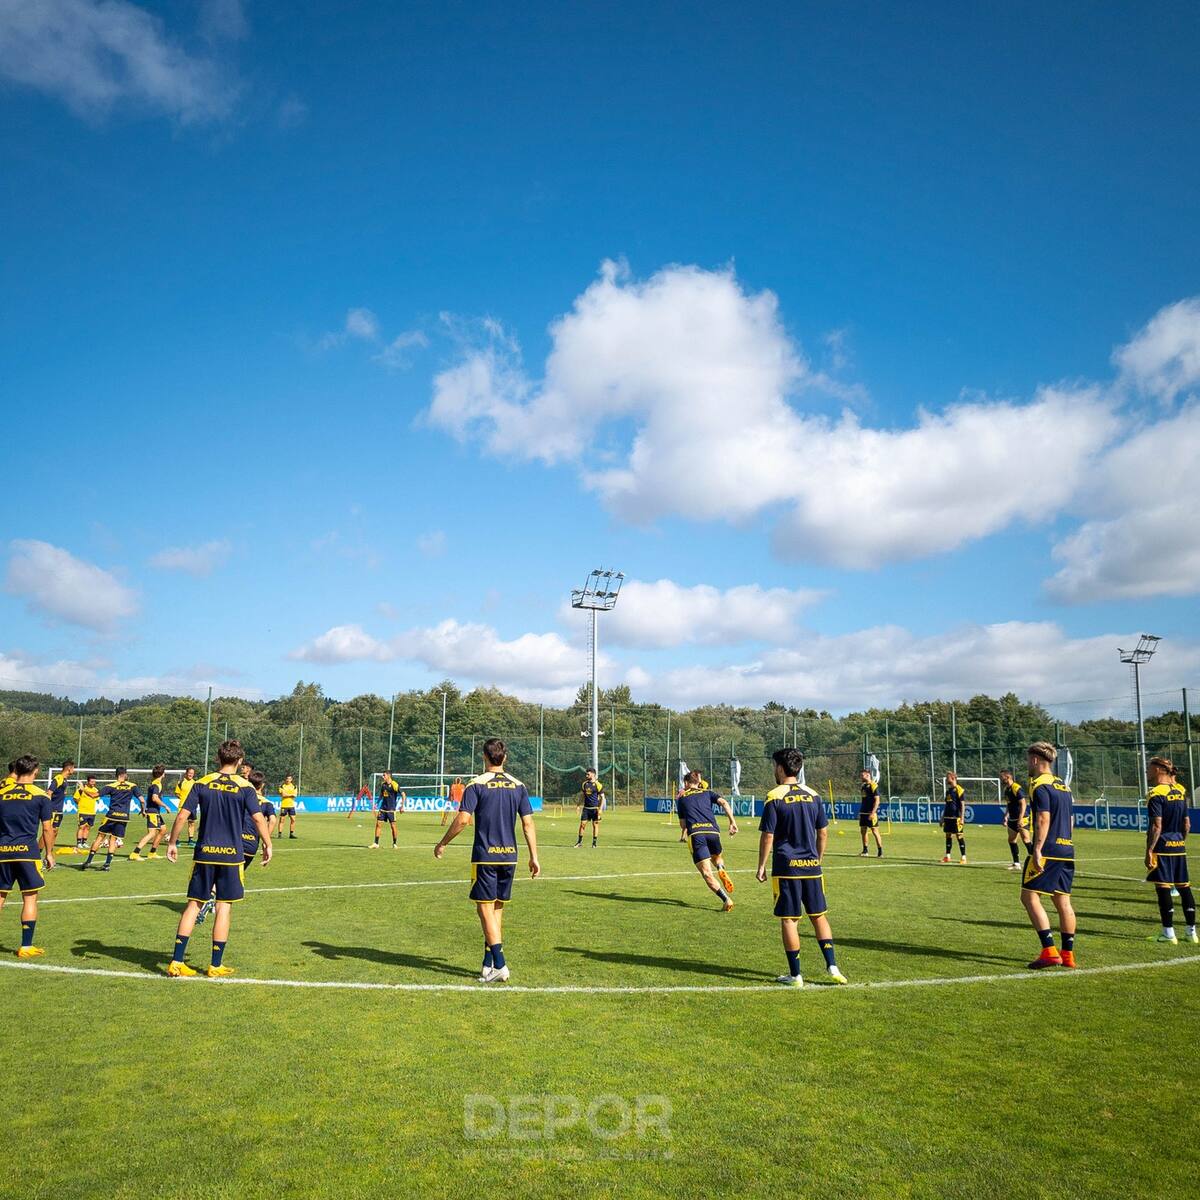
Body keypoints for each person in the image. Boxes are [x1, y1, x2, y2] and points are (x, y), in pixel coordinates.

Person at [434, 738, 540, 984]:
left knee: (484, 908)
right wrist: (534, 856)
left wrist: (442, 843)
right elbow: (528, 823)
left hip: (485, 857)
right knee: (496, 908)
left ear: (484, 757)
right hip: (510, 857)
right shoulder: (518, 785)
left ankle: (500, 965)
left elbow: (463, 820)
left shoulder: (476, 784)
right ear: (505, 758)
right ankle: (487, 963)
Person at [165, 739, 271, 978]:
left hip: (204, 853)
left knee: (194, 905)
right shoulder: (245, 787)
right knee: (224, 907)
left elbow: (183, 815)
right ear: (240, 761)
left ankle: (176, 961)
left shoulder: (202, 783)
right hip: (232, 856)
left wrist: (172, 842)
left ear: (218, 759)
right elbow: (257, 818)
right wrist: (268, 843)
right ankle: (215, 965)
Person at [756, 748, 847, 987]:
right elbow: (823, 832)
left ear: (780, 767)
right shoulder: (814, 795)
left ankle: (796, 975)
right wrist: (817, 858)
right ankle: (833, 966)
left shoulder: (774, 796)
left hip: (787, 867)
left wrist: (761, 866)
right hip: (812, 867)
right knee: (819, 916)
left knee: (789, 920)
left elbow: (768, 835)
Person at [1021, 741, 1077, 969]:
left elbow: (1043, 818)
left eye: (1028, 759)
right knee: (1063, 901)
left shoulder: (1039, 785)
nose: (1027, 764)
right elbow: (1071, 820)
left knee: (1029, 897)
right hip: (1067, 848)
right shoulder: (1064, 786)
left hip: (1048, 849)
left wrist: (1037, 848)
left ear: (1035, 760)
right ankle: (1068, 955)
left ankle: (1049, 950)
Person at [0, 755, 54, 958]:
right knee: (29, 898)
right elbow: (47, 829)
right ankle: (25, 946)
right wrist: (49, 853)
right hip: (27, 854)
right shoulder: (41, 796)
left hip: (2, 852)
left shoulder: (2, 794)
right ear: (36, 771)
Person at [1144, 757, 1196, 944]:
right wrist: (1180, 841)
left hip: (1163, 846)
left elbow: (1156, 825)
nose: (1147, 772)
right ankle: (1192, 933)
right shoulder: (1180, 790)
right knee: (1184, 887)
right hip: (1179, 846)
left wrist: (1150, 849)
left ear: (1158, 770)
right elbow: (1187, 824)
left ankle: (1168, 933)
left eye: (1149, 768)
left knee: (1163, 888)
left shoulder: (1156, 793)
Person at [675, 770, 738, 910]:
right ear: (698, 782)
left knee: (707, 873)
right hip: (713, 832)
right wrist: (732, 822)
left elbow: (683, 825)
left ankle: (726, 899)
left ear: (686, 783)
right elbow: (724, 803)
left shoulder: (682, 798)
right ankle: (720, 868)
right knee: (717, 857)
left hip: (697, 834)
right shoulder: (708, 793)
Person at [81, 768, 140, 872]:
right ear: (124, 774)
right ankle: (107, 864)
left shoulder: (111, 786)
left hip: (111, 816)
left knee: (100, 837)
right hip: (124, 817)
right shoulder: (132, 786)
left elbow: (94, 795)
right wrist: (143, 809)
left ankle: (88, 862)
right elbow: (142, 799)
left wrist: (83, 789)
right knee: (113, 839)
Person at [130, 765, 169, 860]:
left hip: (154, 811)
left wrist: (144, 809)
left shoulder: (154, 782)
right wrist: (165, 806)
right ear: (162, 774)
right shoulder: (157, 784)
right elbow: (154, 798)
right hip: (153, 812)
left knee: (163, 830)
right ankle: (135, 853)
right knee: (152, 833)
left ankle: (152, 853)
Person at [45, 760, 75, 865]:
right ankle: (40, 855)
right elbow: (49, 792)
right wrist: (48, 808)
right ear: (69, 768)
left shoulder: (65, 780)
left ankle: (48, 856)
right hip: (53, 810)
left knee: (54, 832)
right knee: (48, 832)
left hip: (59, 810)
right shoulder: (58, 778)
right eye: (73, 768)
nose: (74, 770)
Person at [999, 769, 1031, 870]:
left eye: (1002, 777)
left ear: (1007, 777)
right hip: (1012, 819)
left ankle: (1034, 860)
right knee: (1011, 840)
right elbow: (1009, 804)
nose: (1000, 779)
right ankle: (1016, 863)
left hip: (1021, 818)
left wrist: (1020, 819)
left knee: (1026, 839)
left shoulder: (1016, 788)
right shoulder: (1006, 790)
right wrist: (1006, 816)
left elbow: (1023, 803)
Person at [574, 768, 605, 848]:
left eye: (588, 774)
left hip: (595, 809)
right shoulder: (584, 784)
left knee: (595, 825)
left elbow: (602, 798)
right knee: (582, 825)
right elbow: (582, 796)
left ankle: (594, 843)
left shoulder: (598, 785)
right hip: (586, 808)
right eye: (586, 774)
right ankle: (579, 842)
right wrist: (578, 805)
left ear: (593, 774)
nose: (586, 775)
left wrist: (600, 809)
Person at [941, 771, 967, 864]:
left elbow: (963, 805)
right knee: (948, 836)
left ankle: (963, 857)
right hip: (948, 817)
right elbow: (946, 805)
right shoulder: (948, 791)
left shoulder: (959, 789)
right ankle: (947, 856)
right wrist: (942, 818)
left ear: (952, 778)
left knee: (959, 836)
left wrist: (962, 818)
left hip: (956, 818)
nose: (946, 779)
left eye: (947, 778)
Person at [857, 767, 883, 858]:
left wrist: (873, 812)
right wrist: (860, 812)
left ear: (868, 775)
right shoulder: (863, 786)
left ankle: (880, 852)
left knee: (875, 831)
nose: (861, 777)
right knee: (863, 831)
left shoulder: (874, 785)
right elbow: (864, 800)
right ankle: (865, 850)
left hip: (871, 812)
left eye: (862, 775)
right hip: (863, 812)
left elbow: (877, 801)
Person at [372, 772, 401, 848]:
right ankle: (376, 843)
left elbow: (403, 794)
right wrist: (377, 803)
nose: (383, 776)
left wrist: (402, 806)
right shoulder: (383, 785)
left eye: (384, 775)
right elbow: (381, 795)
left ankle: (394, 843)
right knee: (378, 824)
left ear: (388, 776)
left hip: (391, 810)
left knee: (393, 826)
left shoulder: (395, 785)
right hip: (382, 809)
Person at [74, 775, 99, 850]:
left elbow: (95, 798)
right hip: (83, 811)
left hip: (92, 812)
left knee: (88, 827)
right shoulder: (81, 789)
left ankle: (84, 842)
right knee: (81, 827)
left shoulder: (95, 790)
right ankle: (79, 843)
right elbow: (75, 798)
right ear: (88, 781)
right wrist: (80, 804)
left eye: (94, 782)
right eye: (91, 782)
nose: (93, 783)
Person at [175, 767, 198, 845]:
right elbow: (177, 793)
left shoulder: (195, 783)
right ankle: (177, 840)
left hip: (192, 806)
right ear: (186, 773)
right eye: (189, 772)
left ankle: (190, 840)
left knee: (191, 822)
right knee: (180, 822)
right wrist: (183, 799)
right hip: (183, 806)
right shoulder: (180, 782)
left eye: (192, 773)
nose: (190, 774)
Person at [279, 773, 298, 838]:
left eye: (289, 779)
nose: (288, 780)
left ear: (291, 779)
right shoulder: (282, 786)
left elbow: (295, 795)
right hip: (284, 805)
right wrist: (290, 794)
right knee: (282, 819)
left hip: (291, 805)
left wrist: (287, 794)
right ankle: (280, 834)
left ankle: (291, 834)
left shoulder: (294, 786)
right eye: (287, 778)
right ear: (285, 779)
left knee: (293, 819)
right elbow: (283, 795)